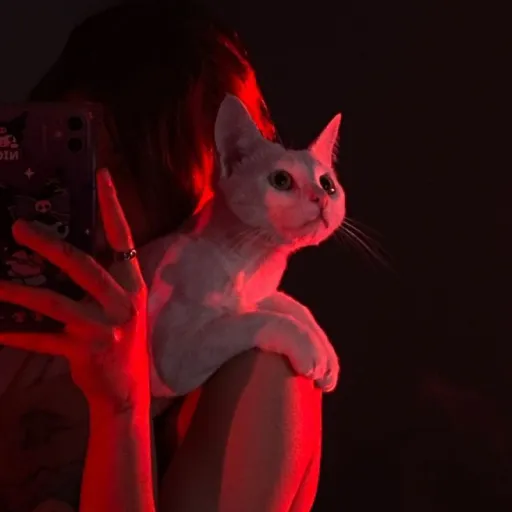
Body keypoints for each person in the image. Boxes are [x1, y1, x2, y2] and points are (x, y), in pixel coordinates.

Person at [0, 2, 324, 511]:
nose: (96, 181)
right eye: (72, 144)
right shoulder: (38, 311)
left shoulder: (259, 369)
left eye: (131, 158)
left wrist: (121, 410)